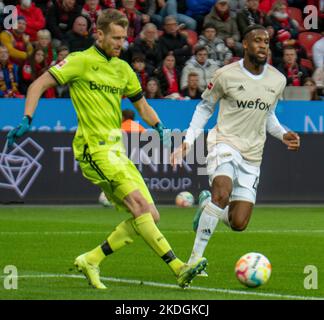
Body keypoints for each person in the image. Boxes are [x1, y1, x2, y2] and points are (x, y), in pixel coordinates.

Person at [7, 9, 207, 289]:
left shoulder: (123, 69)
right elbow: (38, 84)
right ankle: (179, 266)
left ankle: (92, 259)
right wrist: (27, 118)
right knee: (140, 207)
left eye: (123, 38)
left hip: (116, 149)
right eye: (114, 37)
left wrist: (159, 127)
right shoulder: (79, 61)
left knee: (150, 214)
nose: (119, 43)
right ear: (98, 34)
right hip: (93, 149)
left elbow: (142, 106)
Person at [170, 24, 300, 276]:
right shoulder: (225, 74)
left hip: (253, 154)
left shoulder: (277, 79)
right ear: (245, 45)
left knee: (239, 222)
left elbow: (268, 116)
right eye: (257, 40)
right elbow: (205, 108)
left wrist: (283, 134)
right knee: (222, 192)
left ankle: (207, 205)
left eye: (266, 41)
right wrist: (188, 141)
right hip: (224, 142)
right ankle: (194, 260)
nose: (263, 45)